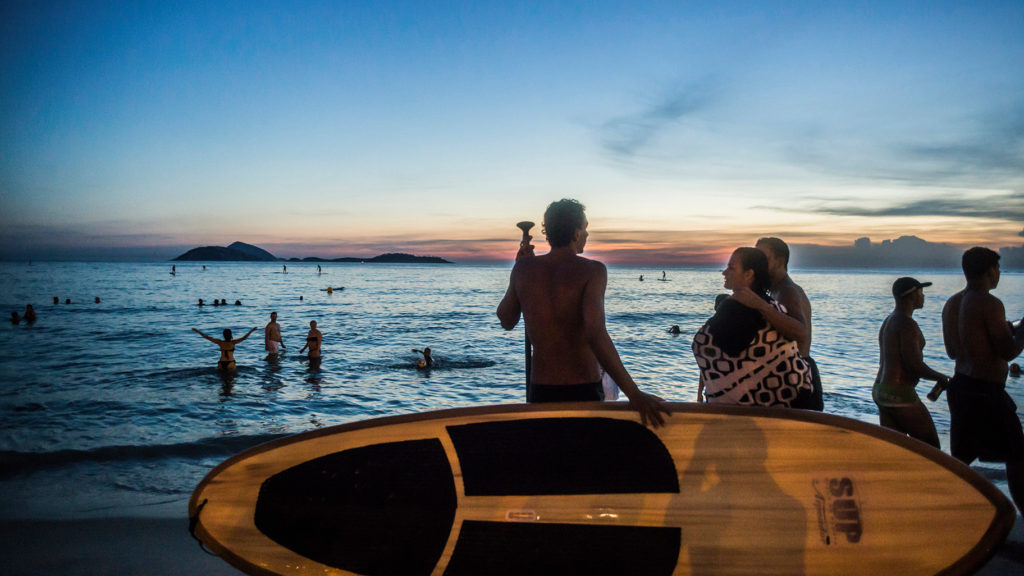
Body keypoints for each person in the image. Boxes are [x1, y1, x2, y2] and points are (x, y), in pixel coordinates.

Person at [497, 198, 668, 427]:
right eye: (585, 228)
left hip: (540, 389)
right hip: (583, 388)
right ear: (576, 233)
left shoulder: (524, 269)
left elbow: (506, 319)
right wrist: (634, 394)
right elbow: (595, 334)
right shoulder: (592, 271)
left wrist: (519, 269)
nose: (587, 234)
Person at [942, 247, 1024, 513]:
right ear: (990, 270)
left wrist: (1009, 329)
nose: (999, 274)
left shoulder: (952, 303)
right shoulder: (989, 303)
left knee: (961, 461)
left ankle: (951, 513)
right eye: (998, 269)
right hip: (986, 392)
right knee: (1018, 457)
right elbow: (1008, 351)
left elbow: (953, 351)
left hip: (961, 387)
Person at [693, 248, 814, 408]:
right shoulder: (771, 306)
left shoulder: (754, 306)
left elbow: (727, 350)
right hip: (794, 396)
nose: (724, 272)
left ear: (748, 274)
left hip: (765, 407)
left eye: (731, 268)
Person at [732, 237, 823, 410]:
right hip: (788, 378)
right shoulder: (775, 291)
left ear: (780, 261)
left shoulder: (787, 291)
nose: (757, 262)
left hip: (799, 380)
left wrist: (761, 306)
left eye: (763, 258)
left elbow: (801, 331)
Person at [873, 277, 947, 448]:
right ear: (911, 296)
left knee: (896, 449)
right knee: (930, 447)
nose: (923, 296)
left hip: (880, 390)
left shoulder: (889, 320)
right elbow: (913, 364)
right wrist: (942, 377)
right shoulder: (907, 324)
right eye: (921, 292)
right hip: (899, 394)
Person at [193, 326, 257, 371]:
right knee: (231, 383)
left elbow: (207, 337)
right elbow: (244, 337)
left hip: (221, 363)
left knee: (222, 383)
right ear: (231, 335)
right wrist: (252, 330)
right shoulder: (233, 342)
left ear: (223, 335)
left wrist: (197, 331)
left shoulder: (220, 342)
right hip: (230, 363)